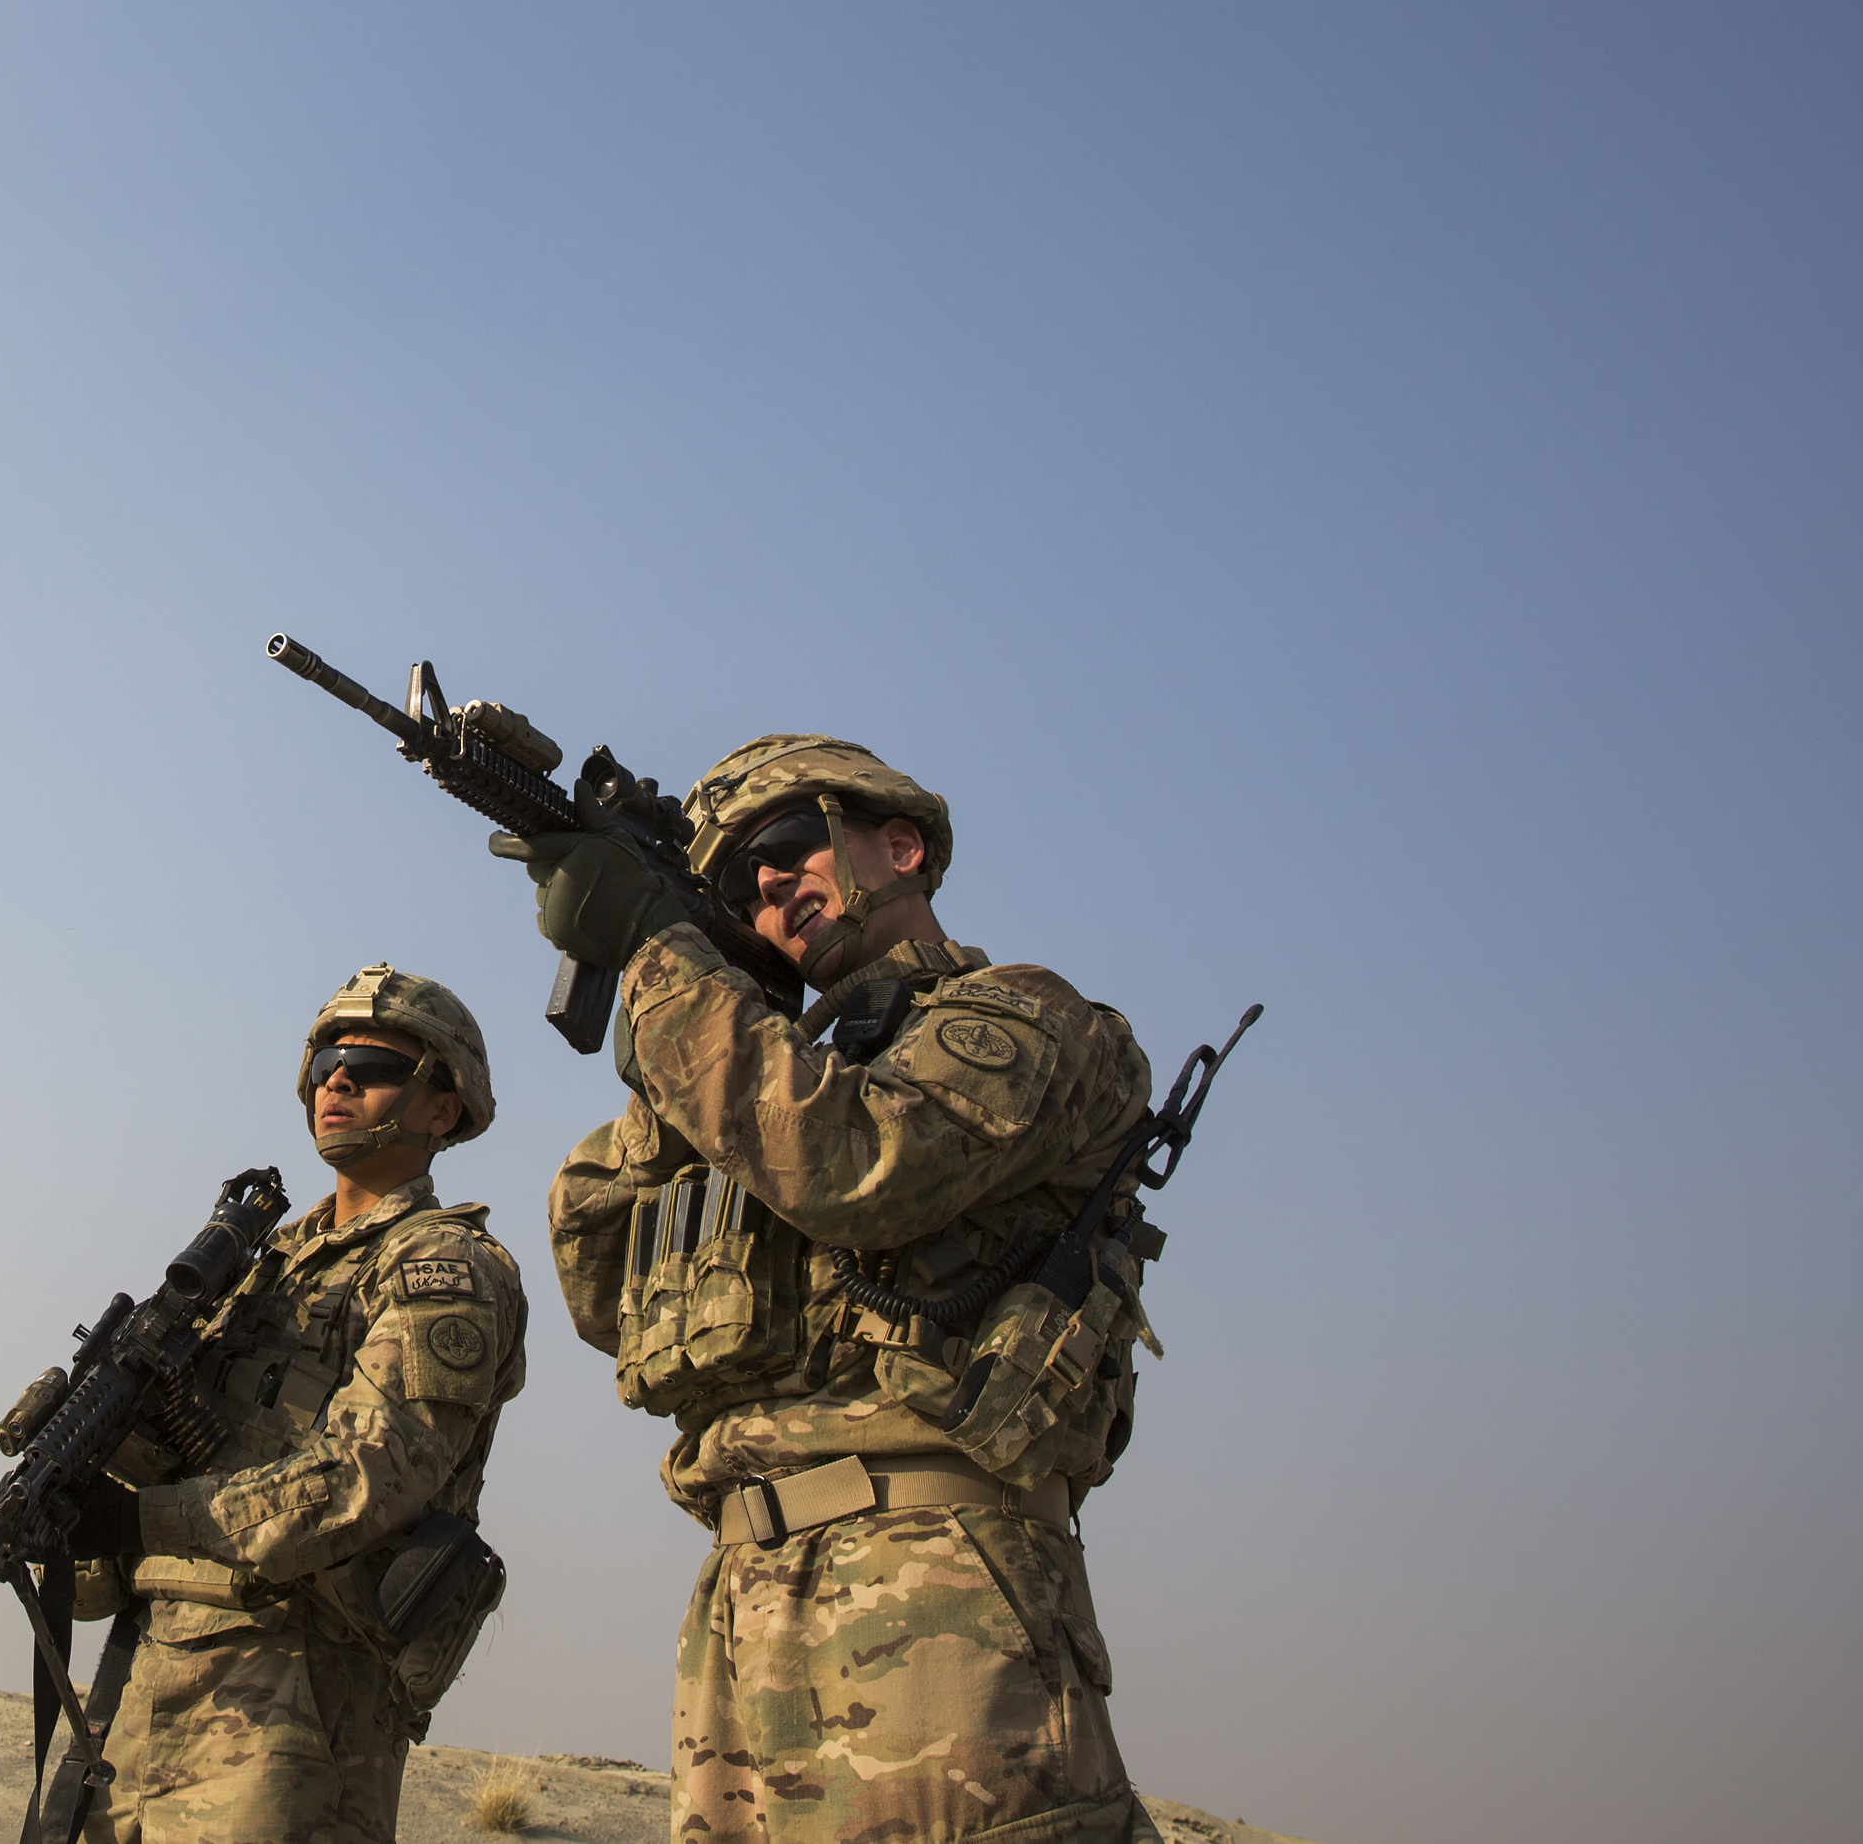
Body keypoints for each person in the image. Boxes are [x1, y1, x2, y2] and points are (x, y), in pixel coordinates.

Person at [512, 736, 1164, 1844]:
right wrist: (691, 1020)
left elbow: (861, 1163)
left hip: (931, 1575)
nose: (761, 886)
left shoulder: (1022, 1017)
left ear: (898, 846)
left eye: (783, 845)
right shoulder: (758, 1064)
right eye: (725, 887)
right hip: (738, 1590)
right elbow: (602, 1284)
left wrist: (668, 963)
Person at [65, 965, 532, 1844]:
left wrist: (142, 1523)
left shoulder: (445, 1264)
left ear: (444, 1108)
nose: (338, 1079)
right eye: (324, 1061)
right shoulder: (259, 1262)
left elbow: (368, 1476)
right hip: (152, 1666)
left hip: (301, 1686)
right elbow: (182, 1447)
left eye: (372, 1062)